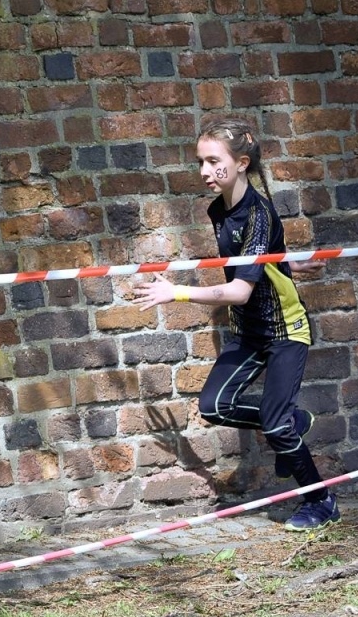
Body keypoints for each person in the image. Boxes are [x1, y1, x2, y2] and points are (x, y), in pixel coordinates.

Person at [135, 115, 339, 532]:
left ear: (242, 163)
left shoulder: (259, 212)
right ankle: (293, 421)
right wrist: (289, 262)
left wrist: (176, 292)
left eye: (213, 162)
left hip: (284, 331)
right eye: (200, 163)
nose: (205, 172)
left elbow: (241, 288)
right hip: (248, 332)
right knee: (215, 405)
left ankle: (321, 502)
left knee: (276, 422)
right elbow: (262, 258)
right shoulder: (218, 211)